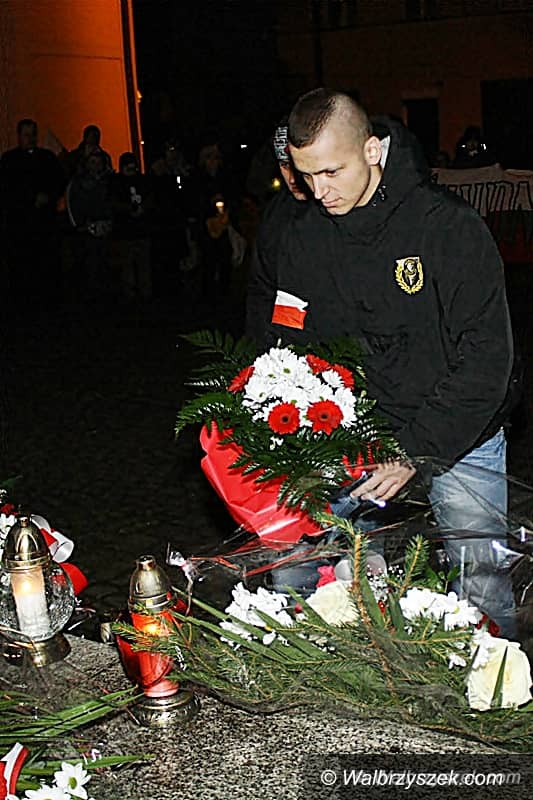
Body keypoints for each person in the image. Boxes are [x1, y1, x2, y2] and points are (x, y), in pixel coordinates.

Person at [246, 88, 518, 634]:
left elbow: (487, 357)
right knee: (306, 582)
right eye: (306, 175)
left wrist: (414, 450)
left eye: (332, 172)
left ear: (372, 151)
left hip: (458, 436)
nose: (319, 191)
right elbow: (289, 343)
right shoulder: (302, 236)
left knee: (482, 593)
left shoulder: (447, 227)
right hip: (352, 442)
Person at [0, 118, 66, 300]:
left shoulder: (47, 158)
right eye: (26, 135)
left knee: (45, 263)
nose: (30, 139)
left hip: (44, 224)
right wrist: (28, 200)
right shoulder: (9, 160)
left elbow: (59, 182)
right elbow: (7, 189)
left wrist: (48, 196)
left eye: (33, 134)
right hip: (20, 224)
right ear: (19, 136)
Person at [109, 152, 153, 300]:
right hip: (126, 231)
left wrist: (142, 209)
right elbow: (114, 203)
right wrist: (130, 209)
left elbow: (150, 199)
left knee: (142, 265)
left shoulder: (142, 181)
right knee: (128, 265)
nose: (131, 169)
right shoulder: (117, 183)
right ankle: (131, 295)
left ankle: (144, 294)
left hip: (140, 230)